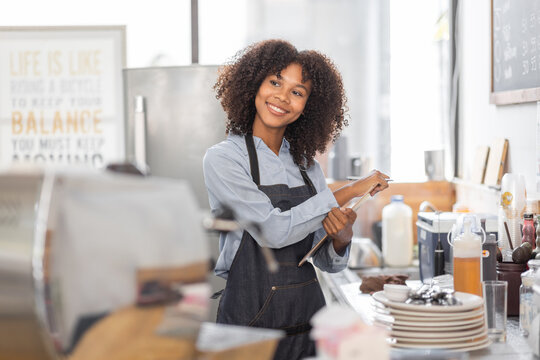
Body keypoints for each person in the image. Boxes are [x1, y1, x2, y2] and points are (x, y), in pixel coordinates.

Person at [203, 39, 389, 359]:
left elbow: (324, 261)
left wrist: (341, 237)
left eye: (297, 91)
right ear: (254, 85)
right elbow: (274, 231)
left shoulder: (306, 167)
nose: (282, 97)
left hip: (308, 326)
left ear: (307, 107)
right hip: (247, 332)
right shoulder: (224, 160)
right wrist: (349, 190)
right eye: (275, 82)